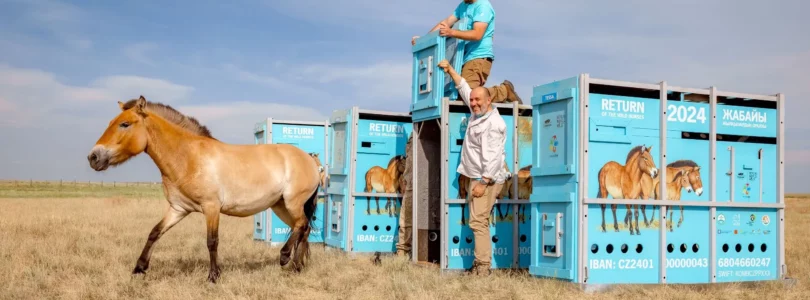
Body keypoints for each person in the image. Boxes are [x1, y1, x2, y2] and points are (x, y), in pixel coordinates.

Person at [438, 59, 508, 275]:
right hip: (476, 176)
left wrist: (483, 182)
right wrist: (450, 70)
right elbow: (464, 88)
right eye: (473, 101)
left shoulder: (493, 125)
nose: (474, 103)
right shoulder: (478, 111)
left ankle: (483, 268)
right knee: (477, 220)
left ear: (489, 100)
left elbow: (494, 157)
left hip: (485, 178)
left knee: (478, 222)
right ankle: (480, 265)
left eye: (478, 100)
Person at [411, 0, 522, 104]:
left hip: (479, 57)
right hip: (463, 58)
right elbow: (445, 23)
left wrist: (451, 32)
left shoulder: (483, 6)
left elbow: (477, 34)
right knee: (461, 95)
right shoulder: (463, 6)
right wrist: (423, 40)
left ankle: (504, 91)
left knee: (470, 95)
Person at [395, 134, 413, 258]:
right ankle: (403, 252)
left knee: (406, 218)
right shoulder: (415, 132)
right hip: (412, 183)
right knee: (406, 219)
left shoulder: (415, 134)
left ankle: (403, 251)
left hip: (414, 184)